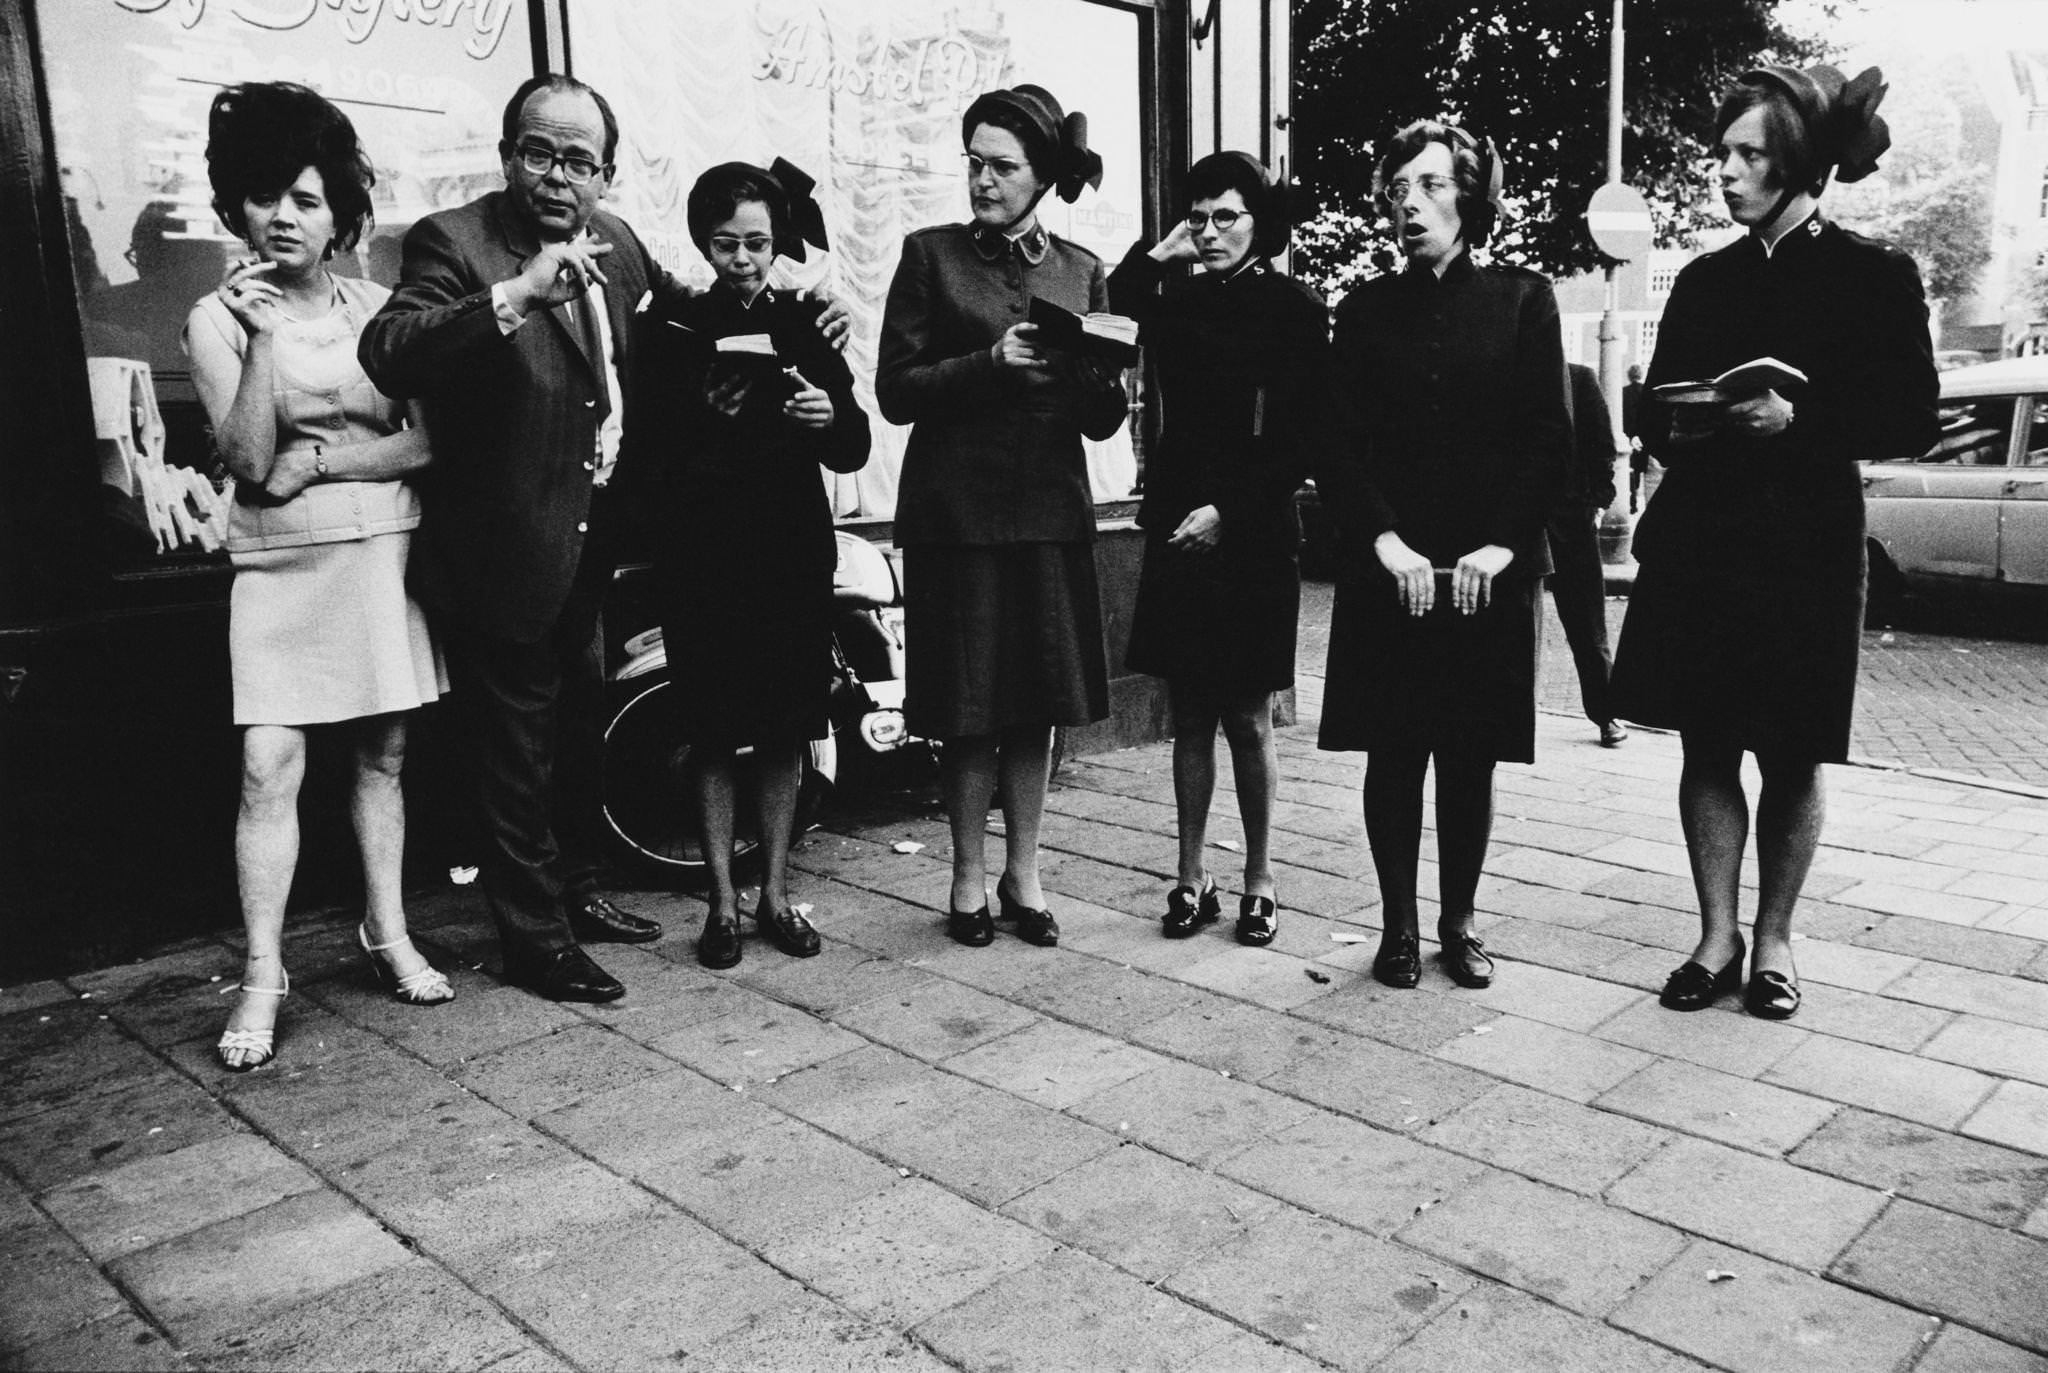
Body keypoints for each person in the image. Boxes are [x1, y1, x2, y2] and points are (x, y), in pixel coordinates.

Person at [1610, 65, 1937, 1020]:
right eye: (1723, 154)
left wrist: (1802, 417)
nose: (1727, 172)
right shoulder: (1706, 279)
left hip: (1805, 544)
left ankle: (1777, 939)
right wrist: (1673, 416)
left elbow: (1912, 414)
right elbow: (1658, 410)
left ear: (1799, 165)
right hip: (1705, 537)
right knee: (1706, 742)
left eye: (1749, 155)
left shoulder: (1874, 274)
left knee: (1793, 751)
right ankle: (1714, 935)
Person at [358, 74, 679, 1003]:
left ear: (606, 176)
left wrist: (774, 303)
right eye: (539, 153)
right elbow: (392, 347)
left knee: (580, 726)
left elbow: (661, 328)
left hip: (591, 537)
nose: (557, 176)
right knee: (514, 754)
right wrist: (513, 297)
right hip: (500, 546)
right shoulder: (454, 243)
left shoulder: (617, 242)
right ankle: (535, 940)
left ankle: (577, 892)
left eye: (579, 161)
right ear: (508, 158)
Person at [186, 82, 453, 1071]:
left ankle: (388, 929)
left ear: (339, 211)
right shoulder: (214, 320)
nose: (282, 217)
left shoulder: (382, 310)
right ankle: (264, 969)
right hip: (279, 564)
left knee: (382, 754)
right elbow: (251, 461)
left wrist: (327, 460)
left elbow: (427, 442)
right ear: (235, 208)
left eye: (303, 198)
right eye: (263, 198)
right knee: (269, 764)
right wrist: (259, 343)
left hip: (378, 547)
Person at [1317, 121, 1569, 992]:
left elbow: (1547, 437)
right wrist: (1383, 538)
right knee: (1395, 750)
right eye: (1398, 190)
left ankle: (1458, 923)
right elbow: (1337, 442)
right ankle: (1396, 925)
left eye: (1430, 186)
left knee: (1469, 753)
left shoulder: (1524, 300)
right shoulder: (1363, 310)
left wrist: (1501, 544)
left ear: (1470, 195)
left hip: (1483, 579)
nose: (1409, 204)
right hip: (1392, 574)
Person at [876, 83, 1127, 949]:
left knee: (1037, 704)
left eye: (1002, 165)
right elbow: (895, 392)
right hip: (960, 518)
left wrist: (1101, 377)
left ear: (1041, 174)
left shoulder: (1083, 270)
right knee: (970, 704)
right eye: (974, 162)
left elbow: (1102, 418)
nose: (982, 179)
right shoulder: (929, 256)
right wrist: (988, 361)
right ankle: (966, 877)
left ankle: (1025, 872)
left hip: (1049, 514)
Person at [623, 160, 869, 969]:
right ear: (704, 242)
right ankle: (721, 905)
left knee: (783, 726)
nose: (743, 260)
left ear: (776, 245)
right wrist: (703, 416)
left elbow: (855, 441)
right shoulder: (671, 329)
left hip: (789, 555)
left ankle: (774, 893)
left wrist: (825, 412)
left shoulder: (806, 323)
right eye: (726, 243)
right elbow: (647, 453)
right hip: (703, 556)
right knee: (711, 728)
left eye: (758, 243)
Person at [1107, 151, 1327, 946]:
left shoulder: (1297, 309)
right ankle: (1189, 876)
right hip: (1176, 524)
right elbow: (1115, 308)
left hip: (1255, 529)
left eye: (1224, 217)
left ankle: (1260, 879)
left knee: (1247, 714)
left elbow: (1304, 435)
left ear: (1259, 222)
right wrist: (1159, 252)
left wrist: (1229, 510)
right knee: (1189, 712)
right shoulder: (1178, 301)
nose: (1207, 232)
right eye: (1197, 218)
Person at [1548, 362, 1627, 748]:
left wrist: (1595, 503)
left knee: (1587, 624)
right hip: (1511, 524)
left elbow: (1601, 446)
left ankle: (1605, 713)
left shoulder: (1577, 379)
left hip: (1569, 521)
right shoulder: (1504, 375)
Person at [1621, 363, 1649, 513]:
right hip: (1644, 437)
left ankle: (1632, 503)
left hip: (1629, 436)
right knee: (1647, 471)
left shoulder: (1623, 392)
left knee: (1632, 472)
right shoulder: (1647, 392)